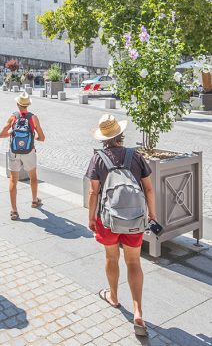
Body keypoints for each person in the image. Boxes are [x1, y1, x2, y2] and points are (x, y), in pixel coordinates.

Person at [85, 114, 156, 337]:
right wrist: (151, 214)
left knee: (111, 257)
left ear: (103, 138)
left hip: (108, 220)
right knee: (134, 262)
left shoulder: (98, 159)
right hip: (135, 220)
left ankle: (114, 296)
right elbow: (149, 189)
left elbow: (93, 192)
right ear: (120, 134)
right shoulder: (135, 155)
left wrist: (90, 218)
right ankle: (138, 311)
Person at [0, 91, 45, 220]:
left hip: (14, 151)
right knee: (33, 176)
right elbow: (42, 137)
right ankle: (35, 200)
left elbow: (1, 134)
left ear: (17, 104)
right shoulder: (33, 117)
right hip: (29, 151)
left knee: (13, 180)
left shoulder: (13, 117)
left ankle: (14, 210)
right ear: (28, 105)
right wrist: (33, 137)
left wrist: (12, 133)